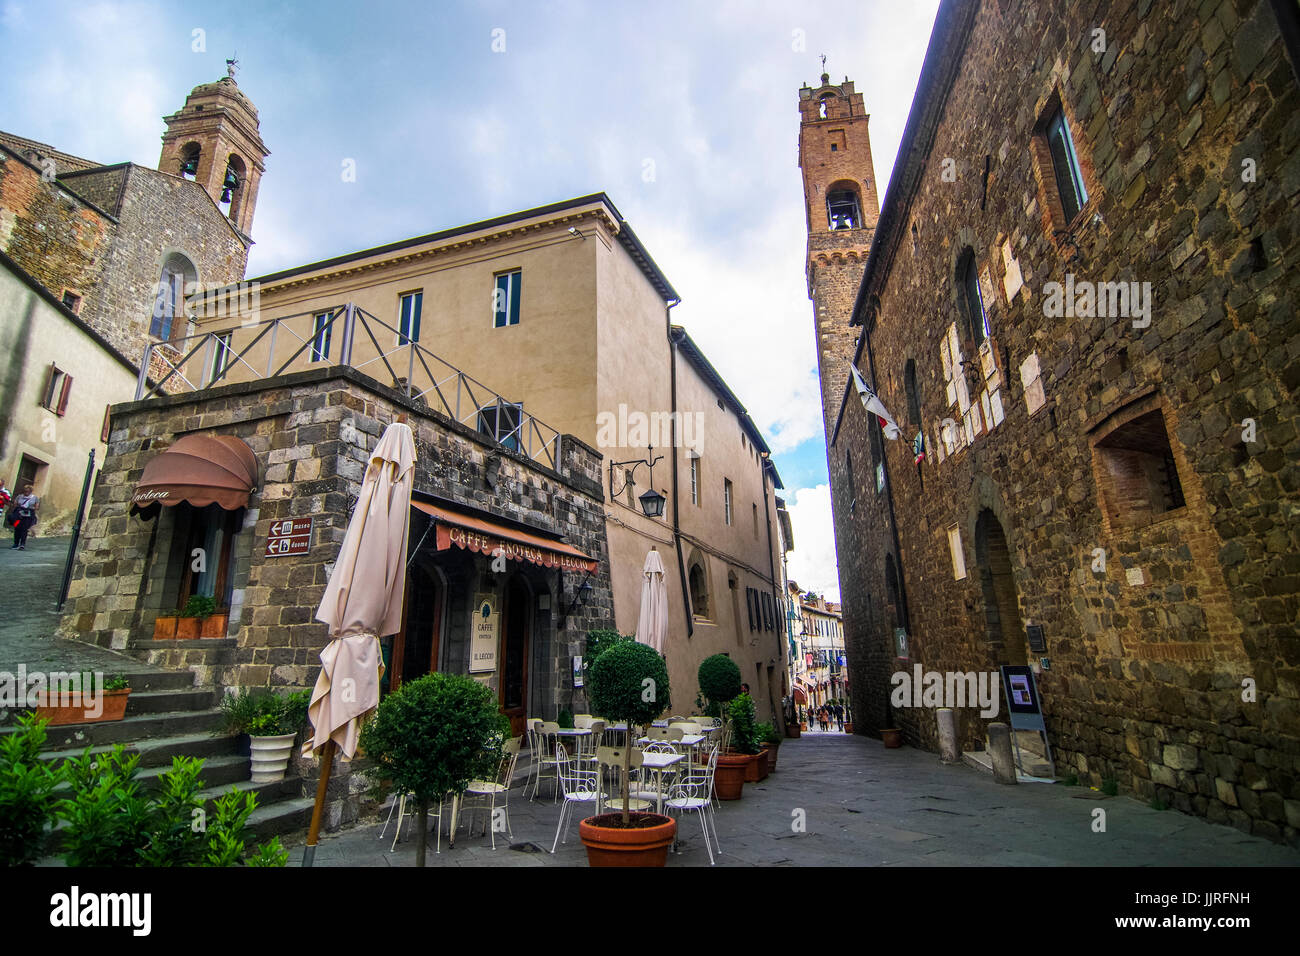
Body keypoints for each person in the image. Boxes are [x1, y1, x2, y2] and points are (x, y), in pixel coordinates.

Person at [9, 483, 39, 550]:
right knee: (17, 528)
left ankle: (22, 544)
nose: (26, 492)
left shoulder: (35, 498)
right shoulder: (19, 496)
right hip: (18, 515)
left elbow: (37, 507)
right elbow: (15, 504)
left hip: (28, 516)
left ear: (31, 491)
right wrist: (19, 507)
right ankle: (16, 544)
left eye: (28, 491)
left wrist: (30, 508)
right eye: (25, 491)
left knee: (24, 530)